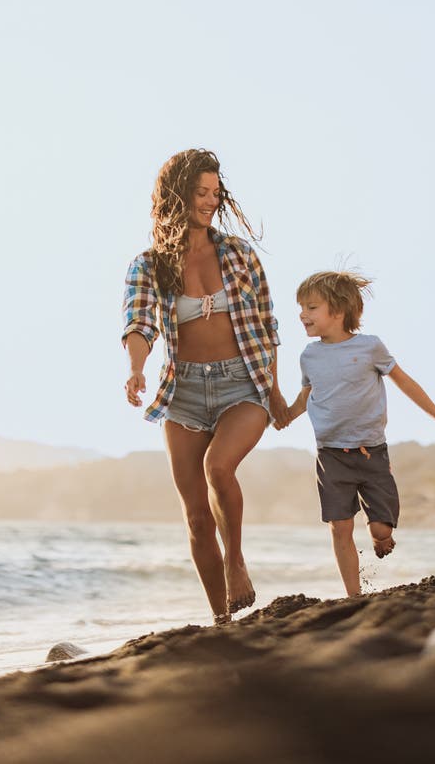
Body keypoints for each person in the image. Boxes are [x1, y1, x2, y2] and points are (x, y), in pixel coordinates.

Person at [122, 149, 290, 623]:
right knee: (197, 517)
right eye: (201, 193)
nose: (211, 202)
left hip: (243, 383)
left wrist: (274, 392)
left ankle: (236, 560)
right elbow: (138, 322)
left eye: (216, 193)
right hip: (184, 393)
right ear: (178, 195)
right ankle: (221, 620)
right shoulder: (149, 265)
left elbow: (265, 324)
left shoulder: (238, 254)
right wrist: (136, 367)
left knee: (220, 467)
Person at [286, 270, 435, 597]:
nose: (302, 314)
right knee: (340, 527)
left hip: (372, 453)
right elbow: (306, 395)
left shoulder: (370, 348)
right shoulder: (309, 356)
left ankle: (382, 537)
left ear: (337, 311)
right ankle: (354, 596)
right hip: (330, 454)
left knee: (380, 529)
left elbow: (403, 380)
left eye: (311, 307)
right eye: (301, 308)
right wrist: (284, 415)